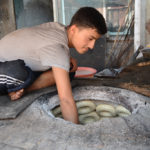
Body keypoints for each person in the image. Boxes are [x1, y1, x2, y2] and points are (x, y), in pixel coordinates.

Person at [0, 7, 107, 124]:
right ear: (74, 30)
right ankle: (15, 89)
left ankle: (21, 89)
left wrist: (66, 60)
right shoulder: (57, 47)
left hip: (12, 65)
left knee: (69, 69)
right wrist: (75, 132)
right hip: (6, 68)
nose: (92, 46)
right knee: (19, 73)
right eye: (90, 38)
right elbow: (66, 100)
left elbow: (44, 47)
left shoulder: (59, 29)